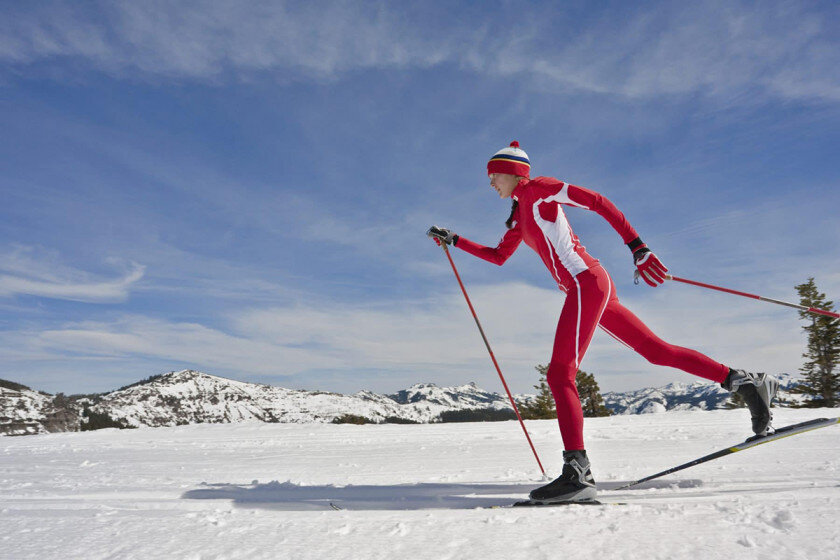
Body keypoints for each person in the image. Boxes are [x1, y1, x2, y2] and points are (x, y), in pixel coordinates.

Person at [427, 141, 779, 503]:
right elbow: (500, 256)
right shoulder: (519, 214)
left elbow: (596, 200)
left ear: (514, 172)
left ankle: (577, 473)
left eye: (493, 175)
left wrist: (637, 246)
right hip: (587, 288)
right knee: (656, 352)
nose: (490, 184)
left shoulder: (540, 190)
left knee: (559, 374)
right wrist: (456, 240)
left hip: (586, 282)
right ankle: (743, 382)